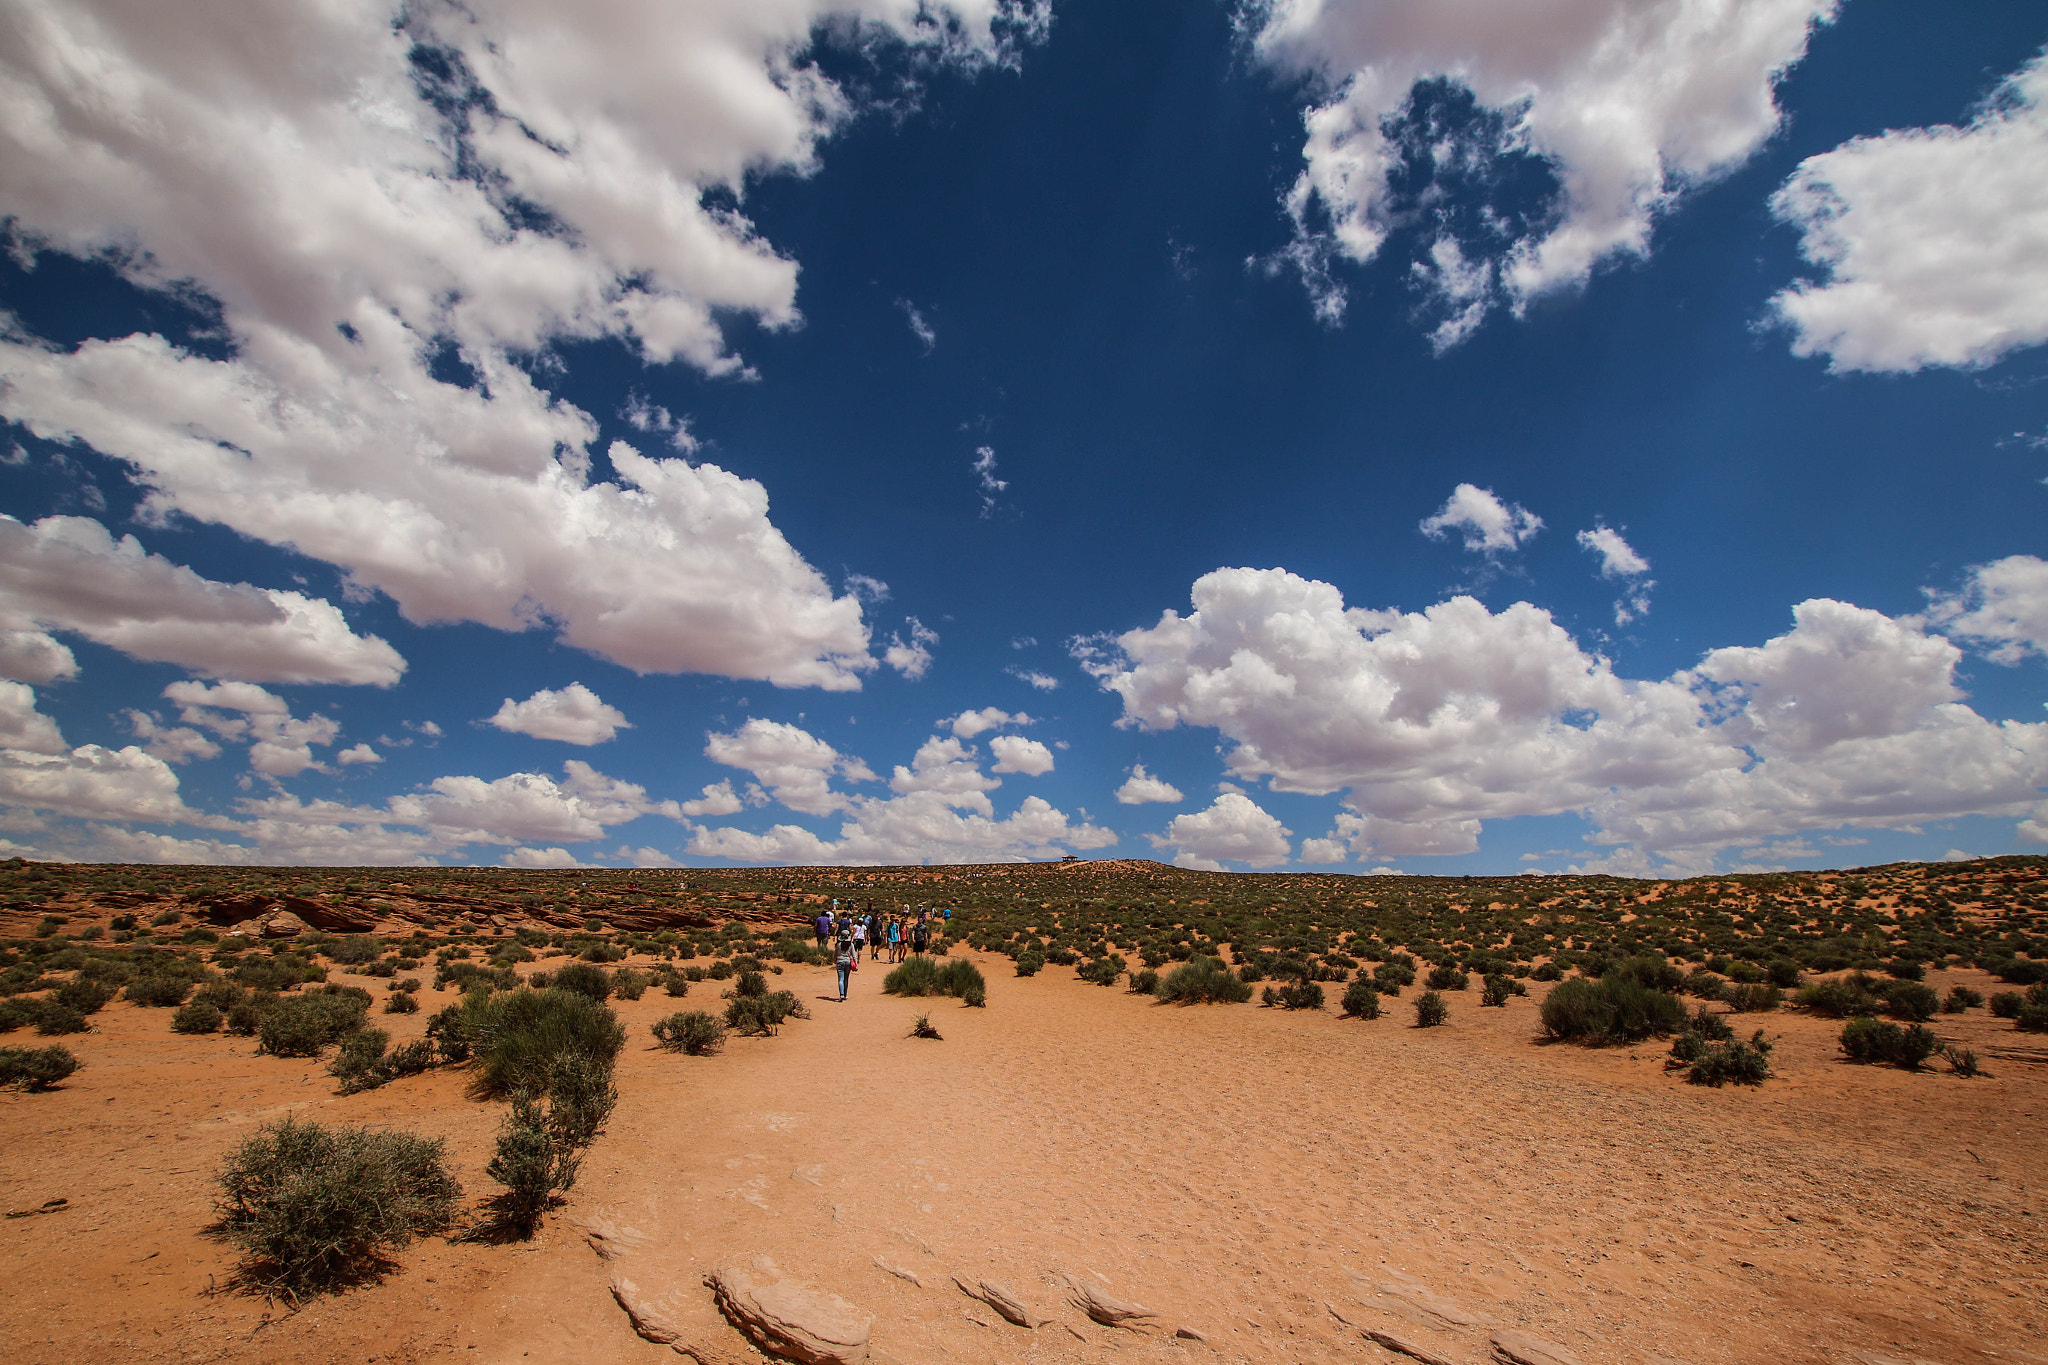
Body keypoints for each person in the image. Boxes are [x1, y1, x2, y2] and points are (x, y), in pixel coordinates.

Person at [835, 922, 856, 1001]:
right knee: (846, 979)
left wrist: (834, 960)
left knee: (840, 979)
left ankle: (842, 994)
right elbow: (854, 955)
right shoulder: (851, 945)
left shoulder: (838, 945)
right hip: (848, 962)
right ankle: (845, 994)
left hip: (840, 962)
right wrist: (855, 963)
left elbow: (835, 954)